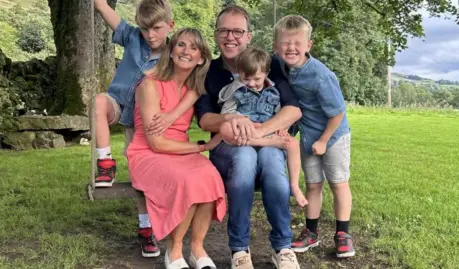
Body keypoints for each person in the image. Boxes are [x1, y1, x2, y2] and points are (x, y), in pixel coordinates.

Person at [194, 5, 302, 269]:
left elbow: (293, 108)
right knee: (243, 160)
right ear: (216, 34)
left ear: (249, 36)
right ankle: (240, 250)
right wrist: (232, 120)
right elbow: (205, 118)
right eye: (223, 30)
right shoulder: (209, 71)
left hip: (267, 142)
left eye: (237, 31)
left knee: (274, 164)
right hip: (230, 147)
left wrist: (259, 132)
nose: (230, 37)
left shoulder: (268, 63)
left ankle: (283, 248)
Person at [126, 28, 226, 269]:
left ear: (201, 58)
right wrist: (200, 146)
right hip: (148, 152)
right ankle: (175, 249)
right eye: (181, 45)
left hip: (178, 148)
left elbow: (196, 97)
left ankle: (197, 247)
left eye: (193, 48)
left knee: (210, 176)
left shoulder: (193, 88)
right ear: (171, 51)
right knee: (190, 180)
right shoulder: (150, 84)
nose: (186, 51)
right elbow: (156, 142)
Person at [92, 0, 174, 257]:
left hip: (143, 118)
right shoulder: (132, 38)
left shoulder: (174, 55)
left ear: (170, 25)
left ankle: (145, 229)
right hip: (118, 103)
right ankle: (105, 164)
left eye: (157, 28)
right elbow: (104, 9)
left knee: (141, 175)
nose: (150, 35)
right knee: (98, 102)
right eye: (145, 28)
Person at [273, 15, 355, 258]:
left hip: (334, 135)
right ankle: (311, 233)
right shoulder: (283, 68)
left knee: (338, 183)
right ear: (276, 46)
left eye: (297, 42)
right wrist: (289, 128)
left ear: (309, 45)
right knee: (313, 185)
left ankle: (343, 234)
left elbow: (338, 113)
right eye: (285, 43)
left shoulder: (321, 75)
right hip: (309, 135)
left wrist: (323, 140)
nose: (291, 48)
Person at [218, 47, 307, 207]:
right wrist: (241, 120)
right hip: (245, 132)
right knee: (226, 130)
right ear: (239, 72)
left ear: (267, 73)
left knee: (293, 143)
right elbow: (227, 114)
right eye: (246, 79)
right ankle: (265, 143)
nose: (251, 84)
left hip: (265, 132)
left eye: (257, 79)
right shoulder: (235, 90)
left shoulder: (273, 91)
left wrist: (283, 128)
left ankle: (294, 185)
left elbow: (279, 114)